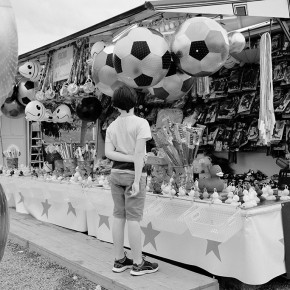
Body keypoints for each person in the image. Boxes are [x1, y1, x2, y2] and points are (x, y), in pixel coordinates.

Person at [105, 85, 159, 276]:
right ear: (134, 102)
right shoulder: (140, 123)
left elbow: (108, 153)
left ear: (115, 105)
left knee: (119, 216)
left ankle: (119, 259)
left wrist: (125, 157)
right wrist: (137, 179)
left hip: (116, 174)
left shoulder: (112, 126)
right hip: (133, 175)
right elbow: (138, 153)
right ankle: (138, 263)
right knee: (134, 220)